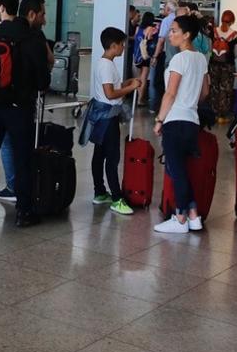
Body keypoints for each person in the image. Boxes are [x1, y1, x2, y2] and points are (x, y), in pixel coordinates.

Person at [0, 0, 52, 228]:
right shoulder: (33, 38)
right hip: (20, 109)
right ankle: (24, 212)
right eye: (43, 14)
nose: (44, 20)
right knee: (22, 158)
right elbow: (42, 82)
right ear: (32, 13)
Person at [152, 14, 211, 233]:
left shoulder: (179, 59)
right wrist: (190, 103)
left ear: (187, 35)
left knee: (176, 172)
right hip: (192, 121)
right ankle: (194, 215)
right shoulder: (201, 58)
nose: (170, 34)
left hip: (175, 120)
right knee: (182, 170)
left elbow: (170, 93)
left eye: (175, 30)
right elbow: (205, 91)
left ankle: (180, 219)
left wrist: (159, 120)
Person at [87, 27, 141, 216]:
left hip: (102, 115)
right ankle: (117, 199)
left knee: (99, 154)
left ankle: (100, 192)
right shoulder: (107, 66)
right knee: (112, 157)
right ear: (113, 46)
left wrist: (127, 83)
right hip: (108, 116)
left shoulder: (105, 63)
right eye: (122, 44)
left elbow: (110, 88)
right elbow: (110, 94)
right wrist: (130, 88)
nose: (124, 47)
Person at [210, 10, 237, 120]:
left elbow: (210, 48)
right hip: (228, 66)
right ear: (232, 21)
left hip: (214, 65)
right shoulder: (234, 34)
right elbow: (236, 53)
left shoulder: (214, 31)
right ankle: (222, 115)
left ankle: (214, 112)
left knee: (214, 87)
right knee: (225, 89)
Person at [150, 0, 178, 111]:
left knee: (160, 82)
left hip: (167, 56)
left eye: (164, 8)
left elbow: (161, 41)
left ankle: (159, 108)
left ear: (168, 9)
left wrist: (155, 56)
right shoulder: (179, 20)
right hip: (178, 56)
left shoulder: (167, 20)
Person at [133, 12, 158, 106]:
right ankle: (140, 99)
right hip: (145, 56)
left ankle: (135, 96)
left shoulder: (138, 28)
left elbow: (136, 39)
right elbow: (150, 39)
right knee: (143, 78)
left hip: (136, 55)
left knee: (138, 77)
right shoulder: (151, 29)